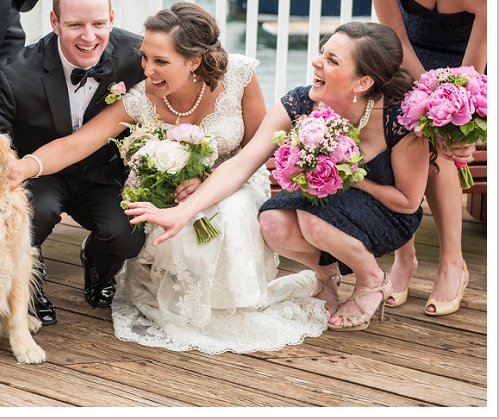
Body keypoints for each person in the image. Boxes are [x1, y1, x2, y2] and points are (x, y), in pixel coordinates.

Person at [8, 1, 330, 353]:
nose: (146, 70)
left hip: (235, 176)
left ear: (194, 61)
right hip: (171, 189)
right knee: (176, 213)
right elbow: (77, 144)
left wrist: (207, 177)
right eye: (145, 57)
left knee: (231, 210)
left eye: (160, 61)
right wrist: (25, 166)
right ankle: (186, 299)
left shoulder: (239, 75)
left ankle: (227, 301)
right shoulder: (140, 99)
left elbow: (256, 149)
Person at [125, 22, 430, 333]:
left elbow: (407, 203)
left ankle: (372, 279)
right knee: (272, 223)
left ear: (363, 81)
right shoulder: (301, 103)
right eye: (321, 53)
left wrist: (348, 175)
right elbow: (244, 161)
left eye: (332, 60)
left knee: (313, 220)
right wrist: (182, 212)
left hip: (385, 213)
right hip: (325, 203)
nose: (316, 62)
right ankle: (326, 275)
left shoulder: (399, 119)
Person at [0, 0, 146, 326]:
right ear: (55, 22)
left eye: (99, 23)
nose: (89, 37)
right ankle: (28, 283)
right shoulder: (13, 74)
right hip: (39, 173)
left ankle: (99, 264)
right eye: (75, 25)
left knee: (128, 234)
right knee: (31, 214)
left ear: (112, 19)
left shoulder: (139, 57)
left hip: (105, 173)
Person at [367, 0, 486, 316]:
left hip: (470, 70)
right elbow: (393, 39)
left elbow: (475, 69)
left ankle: (453, 262)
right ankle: (404, 256)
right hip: (405, 63)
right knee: (393, 125)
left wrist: (456, 114)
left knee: (438, 139)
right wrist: (425, 93)